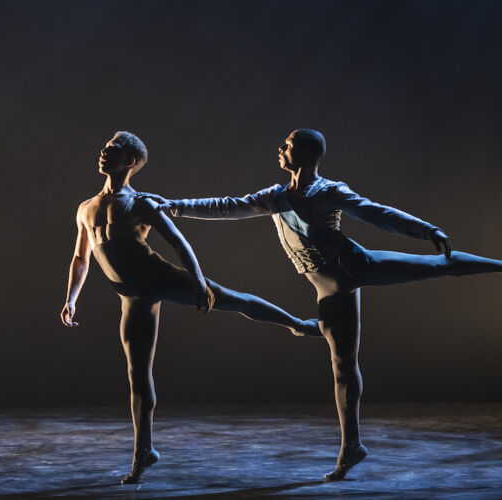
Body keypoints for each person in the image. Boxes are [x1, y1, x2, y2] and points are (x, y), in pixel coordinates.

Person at [155, 128, 502, 480]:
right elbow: (225, 206)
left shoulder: (328, 191)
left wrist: (423, 228)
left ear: (308, 155)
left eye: (289, 144)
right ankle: (352, 446)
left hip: (356, 267)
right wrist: (175, 206)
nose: (281, 147)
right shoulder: (274, 197)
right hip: (329, 291)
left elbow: (376, 214)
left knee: (437, 265)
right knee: (342, 367)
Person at [60, 131, 321, 484]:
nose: (103, 153)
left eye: (113, 150)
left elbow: (179, 243)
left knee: (232, 299)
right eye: (104, 148)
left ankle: (296, 323)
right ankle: (144, 452)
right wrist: (71, 298)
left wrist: (198, 281)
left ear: (129, 162)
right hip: (132, 296)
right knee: (137, 375)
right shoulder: (84, 208)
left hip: (160, 278)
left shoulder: (141, 204)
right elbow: (81, 257)